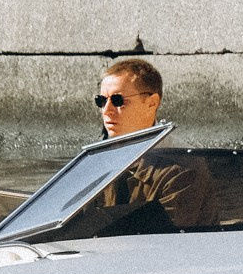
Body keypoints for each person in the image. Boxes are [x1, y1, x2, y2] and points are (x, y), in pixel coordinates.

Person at [87, 58, 215, 232]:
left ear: (151, 103)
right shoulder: (95, 162)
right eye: (101, 101)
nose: (107, 110)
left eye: (118, 101)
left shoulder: (183, 168)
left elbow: (164, 239)